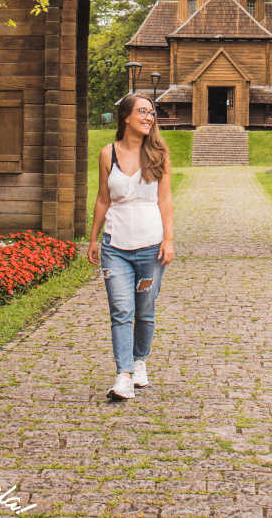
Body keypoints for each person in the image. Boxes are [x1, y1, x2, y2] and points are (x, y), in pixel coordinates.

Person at [87, 93, 174, 400]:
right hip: (115, 247)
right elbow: (102, 198)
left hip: (151, 248)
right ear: (126, 117)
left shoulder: (159, 154)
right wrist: (94, 238)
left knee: (144, 310)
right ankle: (123, 375)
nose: (149, 117)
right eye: (142, 112)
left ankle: (139, 361)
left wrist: (169, 239)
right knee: (121, 310)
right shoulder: (107, 154)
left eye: (152, 113)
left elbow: (165, 200)